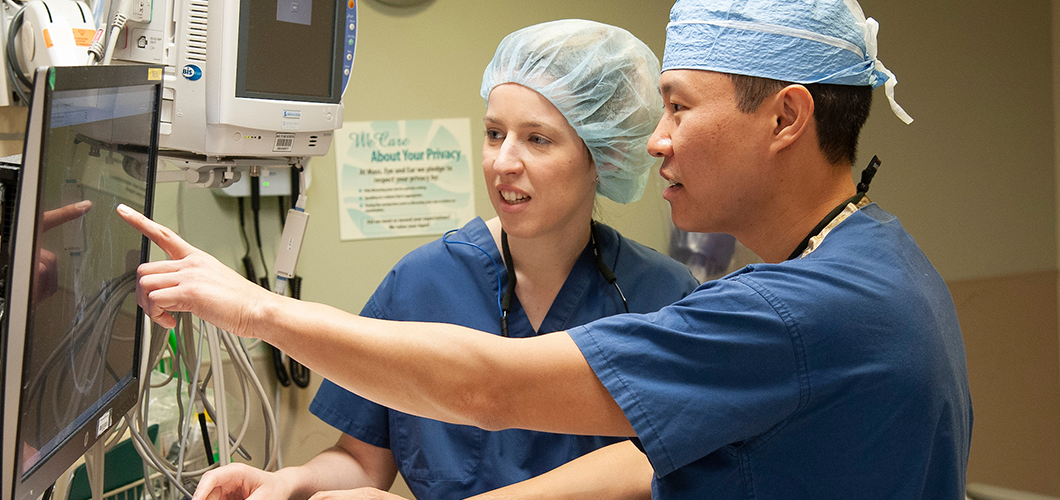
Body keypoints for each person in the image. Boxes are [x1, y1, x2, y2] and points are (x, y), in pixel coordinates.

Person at [119, 0, 972, 498]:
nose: (657, 140)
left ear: (786, 118)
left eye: (678, 108)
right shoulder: (874, 260)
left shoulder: (789, 311)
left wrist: (254, 307)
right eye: (493, 134)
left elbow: (490, 387)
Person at [182, 20, 698, 500]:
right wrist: (291, 482)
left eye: (537, 139)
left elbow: (664, 468)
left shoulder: (662, 298)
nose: (503, 162)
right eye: (494, 134)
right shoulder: (422, 283)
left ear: (603, 156)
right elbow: (363, 462)